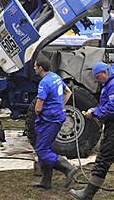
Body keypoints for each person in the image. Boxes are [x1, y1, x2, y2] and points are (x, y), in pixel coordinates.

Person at [70, 62, 114, 199]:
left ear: (105, 73)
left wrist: (95, 112)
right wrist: (95, 109)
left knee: (103, 157)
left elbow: (113, 107)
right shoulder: (110, 83)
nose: (97, 80)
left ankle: (88, 194)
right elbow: (108, 104)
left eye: (98, 77)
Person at [32, 56, 77, 190]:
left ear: (40, 68)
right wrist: (60, 105)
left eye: (35, 66)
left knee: (41, 151)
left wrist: (40, 113)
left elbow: (38, 108)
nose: (34, 68)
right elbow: (67, 92)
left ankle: (68, 168)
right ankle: (46, 182)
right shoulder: (56, 77)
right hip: (56, 116)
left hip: (49, 119)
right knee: (46, 148)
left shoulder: (44, 83)